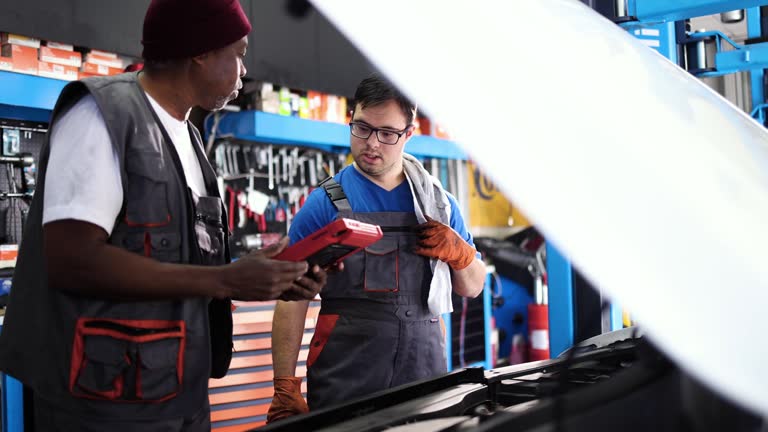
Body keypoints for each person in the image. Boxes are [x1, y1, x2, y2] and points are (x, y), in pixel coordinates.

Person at [0, 0, 328, 430]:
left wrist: (269, 279)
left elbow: (180, 267)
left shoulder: (190, 141)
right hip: (103, 403)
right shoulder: (102, 115)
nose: (244, 71)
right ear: (201, 51)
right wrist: (224, 279)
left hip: (178, 393)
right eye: (240, 53)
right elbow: (70, 260)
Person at [267, 74, 487, 422]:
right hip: (346, 374)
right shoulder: (325, 203)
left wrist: (460, 253)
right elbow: (291, 299)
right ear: (351, 119)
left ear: (408, 134)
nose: (372, 144)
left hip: (423, 373)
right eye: (362, 128)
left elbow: (472, 286)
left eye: (387, 134)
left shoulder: (438, 205)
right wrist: (284, 384)